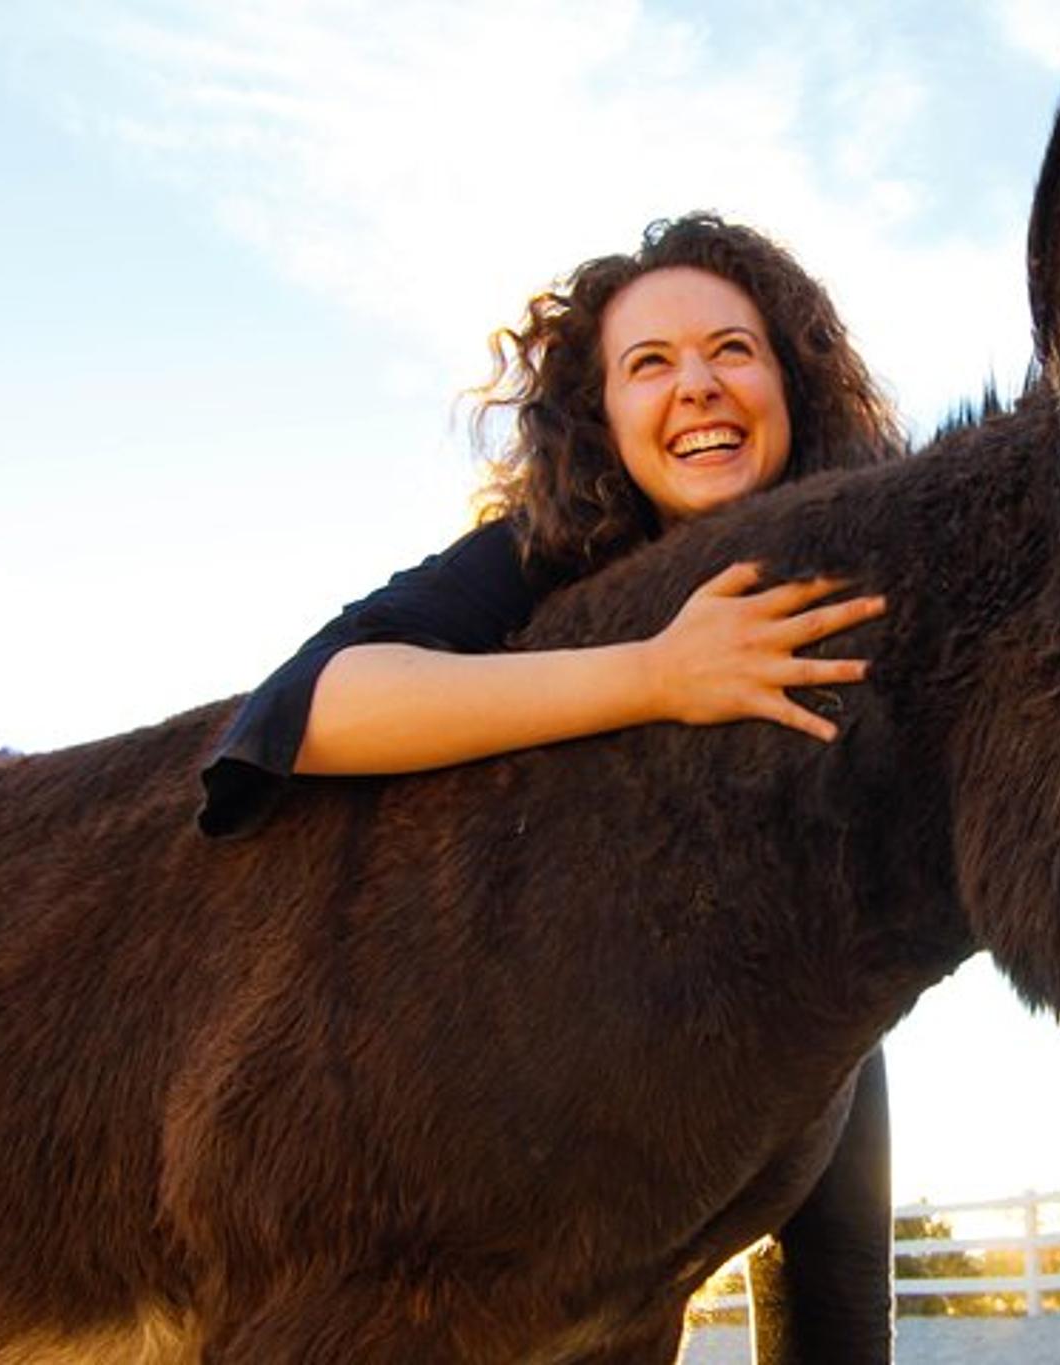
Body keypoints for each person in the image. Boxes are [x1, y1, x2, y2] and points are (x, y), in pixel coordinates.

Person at [196, 214, 902, 1363]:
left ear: (789, 379)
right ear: (603, 414)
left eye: (732, 349)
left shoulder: (869, 554)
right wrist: (657, 675)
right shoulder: (538, 556)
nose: (698, 389)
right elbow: (306, 711)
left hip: (813, 1001)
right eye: (649, 364)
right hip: (534, 1045)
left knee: (844, 1312)